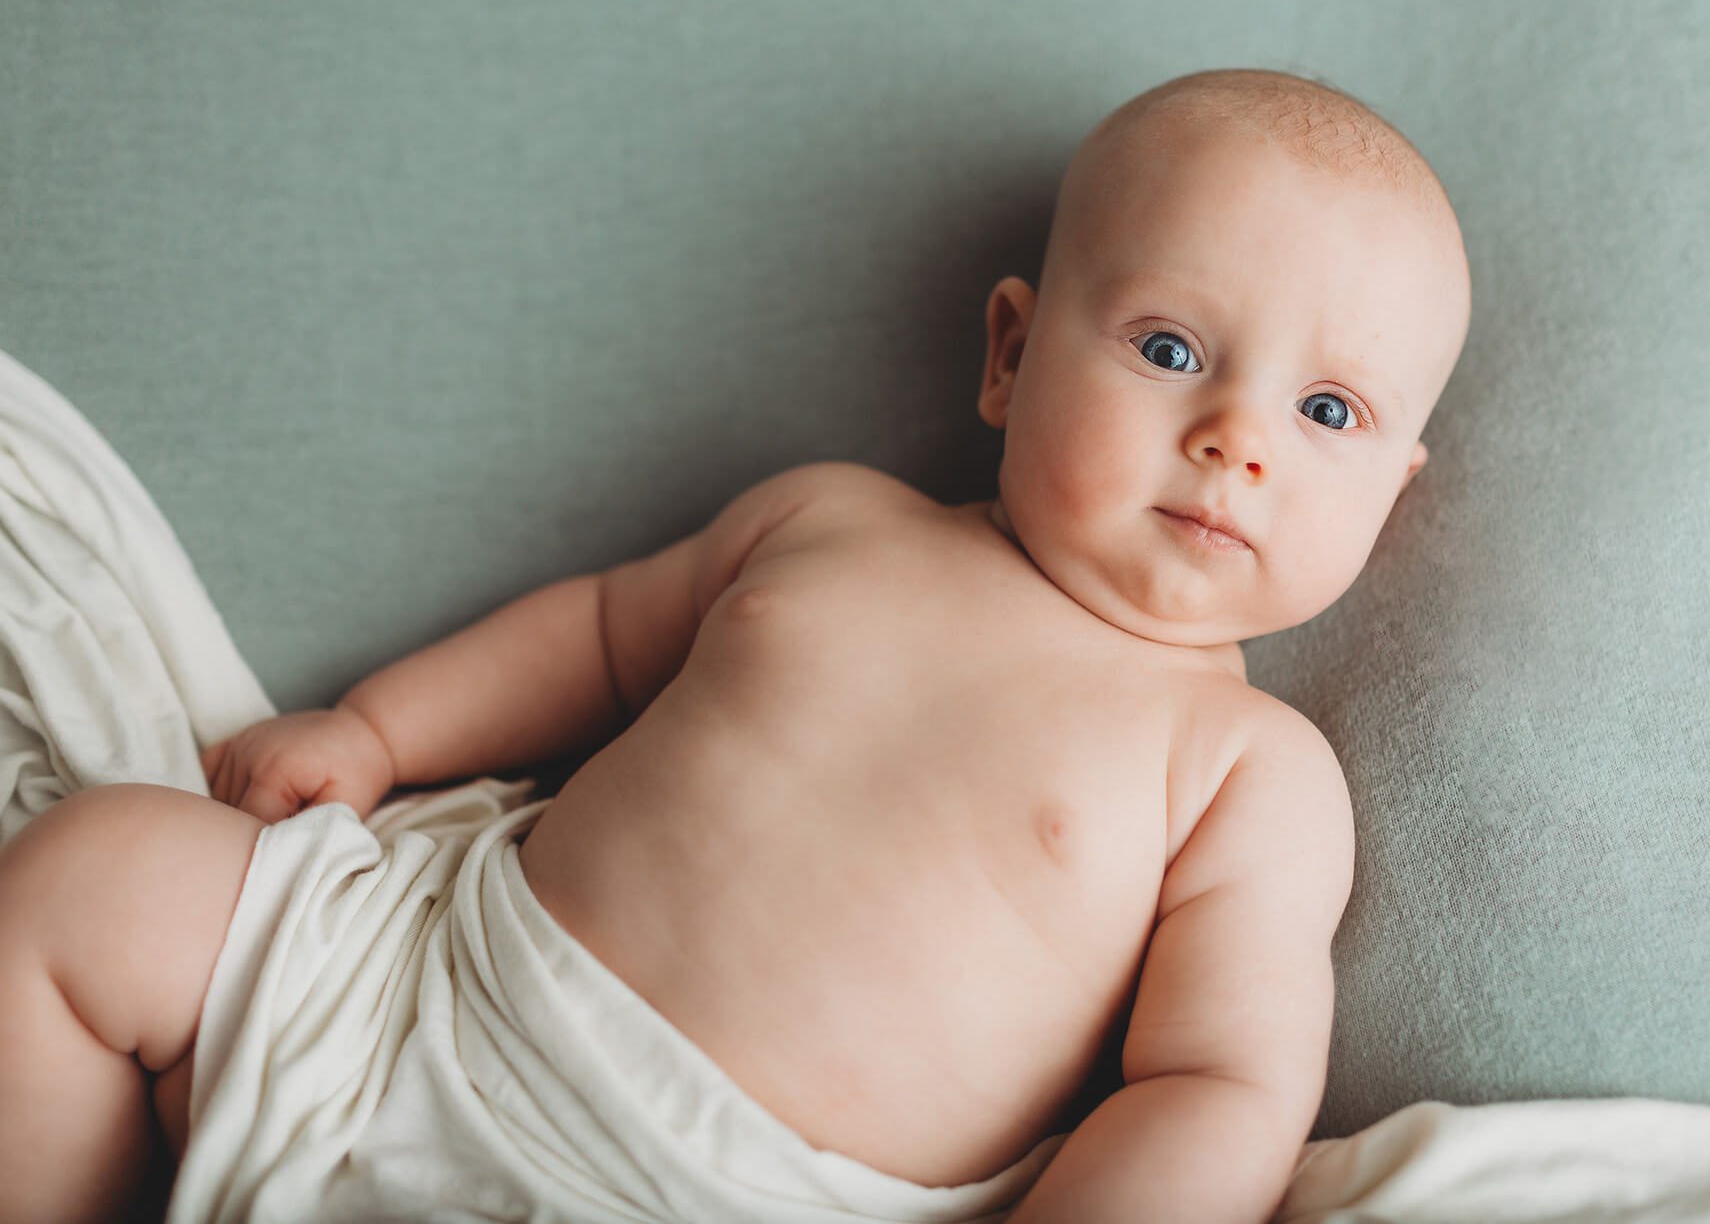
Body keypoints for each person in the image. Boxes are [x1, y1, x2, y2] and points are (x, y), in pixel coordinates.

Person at [0, 65, 1471, 1224]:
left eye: (1328, 413)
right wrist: (378, 732)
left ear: (1393, 492)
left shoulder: (1247, 773)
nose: (1235, 441)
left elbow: (1217, 1086)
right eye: (1169, 349)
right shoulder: (835, 521)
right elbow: (597, 632)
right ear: (1011, 354)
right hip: (417, 995)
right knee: (89, 879)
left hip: (721, 1191)